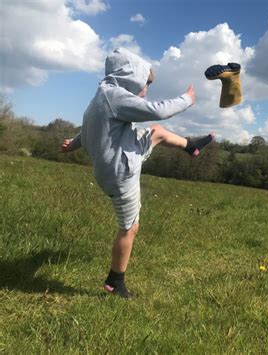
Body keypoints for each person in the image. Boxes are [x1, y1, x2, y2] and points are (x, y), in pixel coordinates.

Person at [61, 47, 214, 298]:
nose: (146, 88)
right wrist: (186, 99)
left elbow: (87, 130)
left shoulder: (102, 97)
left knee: (157, 132)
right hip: (120, 171)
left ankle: (191, 146)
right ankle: (115, 282)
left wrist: (73, 144)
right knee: (129, 227)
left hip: (119, 157)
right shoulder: (117, 97)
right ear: (130, 76)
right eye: (145, 82)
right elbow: (156, 110)